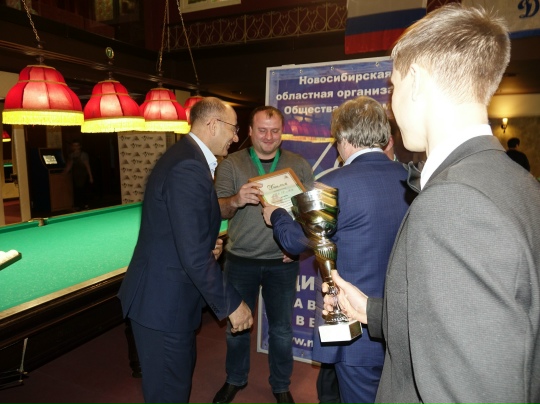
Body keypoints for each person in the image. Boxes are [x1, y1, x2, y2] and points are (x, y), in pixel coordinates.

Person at [322, 5, 540, 404]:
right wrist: (371, 311)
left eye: (393, 86)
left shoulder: (456, 202)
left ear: (417, 81)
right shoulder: (517, 180)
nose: (391, 105)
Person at [262, 96, 412, 404]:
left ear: (342, 137)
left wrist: (276, 215)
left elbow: (294, 241)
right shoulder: (412, 179)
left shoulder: (331, 185)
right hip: (403, 323)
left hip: (355, 330)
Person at [118, 97, 253, 404]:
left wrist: (205, 244)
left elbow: (182, 232)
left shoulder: (188, 157)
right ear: (213, 124)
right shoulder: (188, 166)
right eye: (233, 129)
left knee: (174, 388)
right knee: (170, 394)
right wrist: (232, 305)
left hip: (167, 300)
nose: (235, 138)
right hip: (163, 304)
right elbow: (192, 255)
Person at [213, 106, 314, 404]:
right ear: (250, 131)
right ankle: (235, 379)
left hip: (282, 263)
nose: (268, 137)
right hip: (239, 260)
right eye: (262, 130)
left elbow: (310, 216)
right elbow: (217, 208)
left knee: (281, 331)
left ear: (282, 132)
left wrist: (296, 247)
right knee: (236, 327)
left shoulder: (298, 165)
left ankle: (281, 385)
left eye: (275, 130)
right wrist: (236, 199)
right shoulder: (232, 164)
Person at [64, 140, 93, 210]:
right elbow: (69, 166)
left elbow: (87, 165)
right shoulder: (71, 155)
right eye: (74, 145)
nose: (76, 147)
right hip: (75, 175)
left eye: (77, 145)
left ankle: (85, 205)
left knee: (83, 190)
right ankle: (78, 205)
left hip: (83, 175)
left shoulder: (84, 155)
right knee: (77, 191)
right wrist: (63, 173)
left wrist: (90, 176)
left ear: (80, 146)